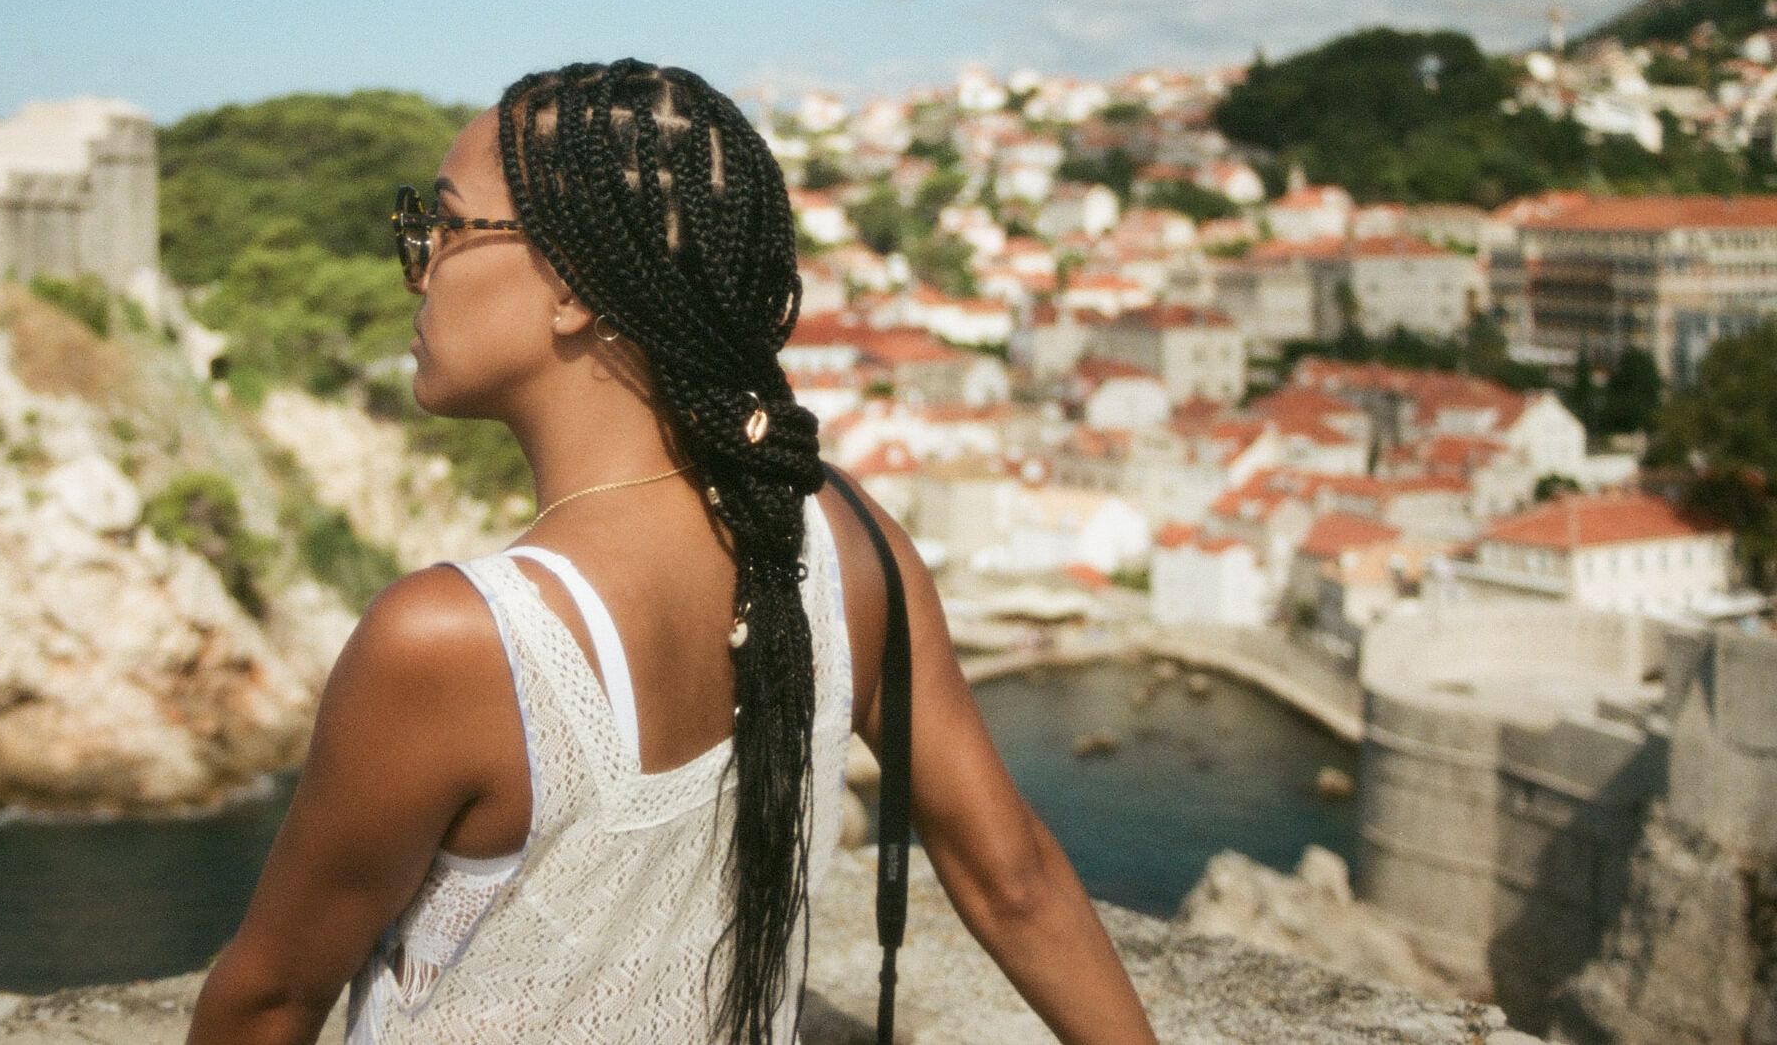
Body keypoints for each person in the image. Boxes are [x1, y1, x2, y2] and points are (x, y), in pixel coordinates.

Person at [188, 61, 1157, 1044]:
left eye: (443, 225)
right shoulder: (845, 543)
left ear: (569, 284)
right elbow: (1017, 885)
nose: (420, 263)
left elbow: (270, 999)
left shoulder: (452, 639)